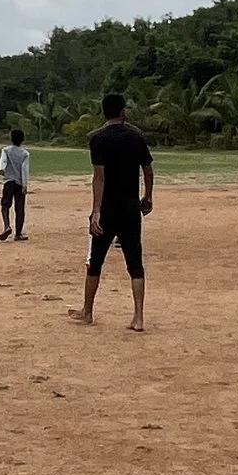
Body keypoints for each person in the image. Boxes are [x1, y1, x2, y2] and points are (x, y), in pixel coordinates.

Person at [72, 93, 153, 331]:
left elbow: (99, 177)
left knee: (96, 260)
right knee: (135, 262)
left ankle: (87, 312)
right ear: (123, 112)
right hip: (130, 207)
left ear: (104, 113)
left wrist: (95, 211)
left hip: (107, 207)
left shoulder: (97, 139)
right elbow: (148, 170)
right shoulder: (136, 137)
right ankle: (138, 317)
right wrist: (147, 197)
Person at [0, 126, 31, 241]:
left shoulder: (6, 150)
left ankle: (7, 226)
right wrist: (25, 185)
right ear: (22, 140)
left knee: (5, 206)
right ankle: (18, 233)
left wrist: (2, 170)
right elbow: (24, 169)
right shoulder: (25, 154)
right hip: (19, 183)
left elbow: (3, 162)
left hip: (8, 182)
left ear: (11, 139)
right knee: (20, 208)